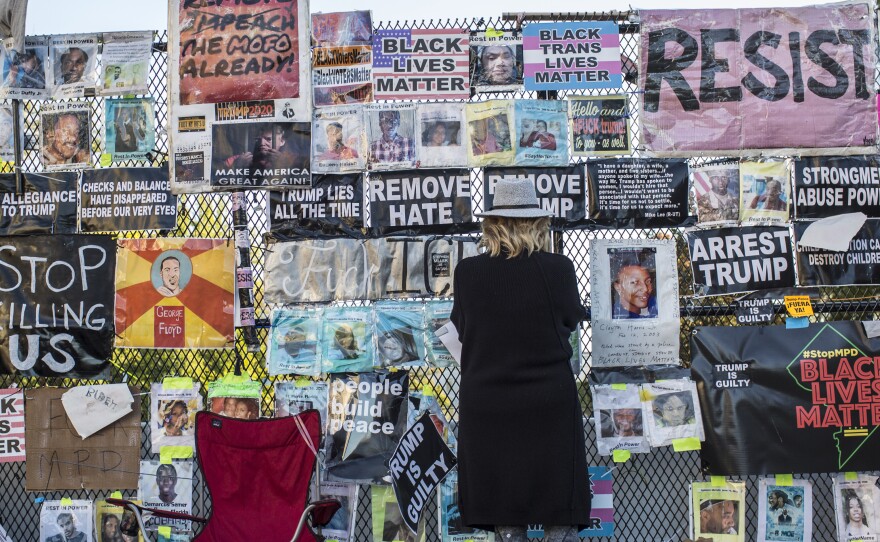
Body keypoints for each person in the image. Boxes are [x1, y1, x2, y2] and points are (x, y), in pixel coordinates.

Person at [451, 178, 590, 541]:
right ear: (538, 222)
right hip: (548, 403)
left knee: (505, 517)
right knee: (560, 513)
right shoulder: (559, 269)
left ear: (492, 224)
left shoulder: (467, 273)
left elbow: (463, 330)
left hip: (488, 405)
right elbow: (570, 319)